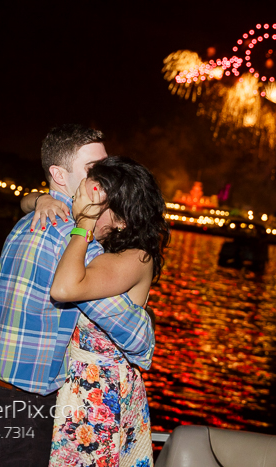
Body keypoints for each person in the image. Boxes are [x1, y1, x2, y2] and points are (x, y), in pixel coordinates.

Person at [0, 124, 155, 467]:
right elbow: (133, 336)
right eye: (93, 171)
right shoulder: (73, 242)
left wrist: (36, 198)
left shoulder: (32, 218)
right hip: (23, 402)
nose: (105, 178)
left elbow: (27, 201)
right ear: (59, 174)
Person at [46, 157, 170, 467]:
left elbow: (64, 289)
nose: (82, 204)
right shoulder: (104, 247)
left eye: (96, 203)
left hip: (100, 394)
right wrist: (41, 200)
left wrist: (84, 223)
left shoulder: (136, 257)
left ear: (123, 219)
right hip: (79, 386)